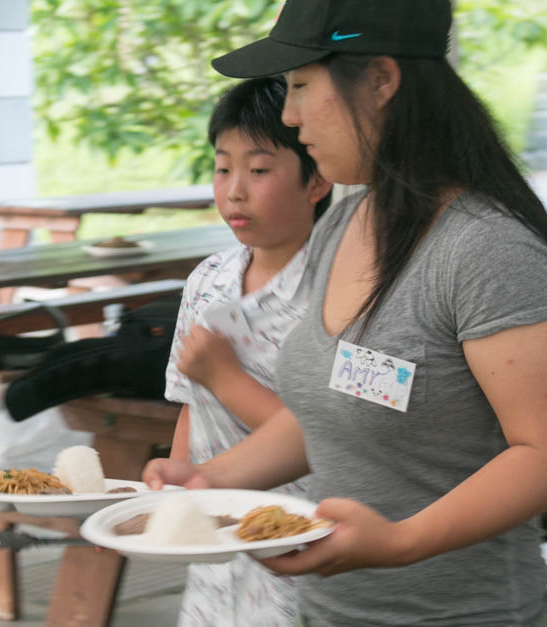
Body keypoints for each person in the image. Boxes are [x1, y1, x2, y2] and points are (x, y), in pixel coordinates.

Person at [145, 1, 547, 625]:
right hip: (333, 610)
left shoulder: (487, 249)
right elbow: (331, 416)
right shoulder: (346, 227)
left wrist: (401, 541)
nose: (289, 114)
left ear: (381, 80)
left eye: (301, 85)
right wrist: (206, 481)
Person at [164, 76, 331, 627]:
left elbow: (333, 434)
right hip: (213, 543)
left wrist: (225, 376)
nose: (235, 189)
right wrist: (174, 493)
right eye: (222, 167)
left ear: (317, 180)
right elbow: (192, 405)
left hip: (300, 542)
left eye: (259, 170)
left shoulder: (336, 293)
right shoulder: (208, 281)